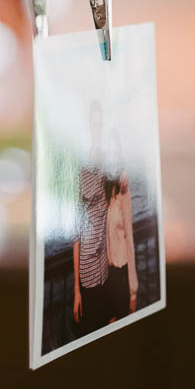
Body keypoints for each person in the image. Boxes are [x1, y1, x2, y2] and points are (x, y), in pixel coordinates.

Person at [71, 102, 138, 335]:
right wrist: (76, 291)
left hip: (107, 270)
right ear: (88, 129)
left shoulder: (110, 171)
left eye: (101, 125)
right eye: (94, 126)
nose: (97, 131)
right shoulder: (81, 170)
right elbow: (76, 235)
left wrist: (123, 175)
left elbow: (116, 158)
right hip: (88, 273)